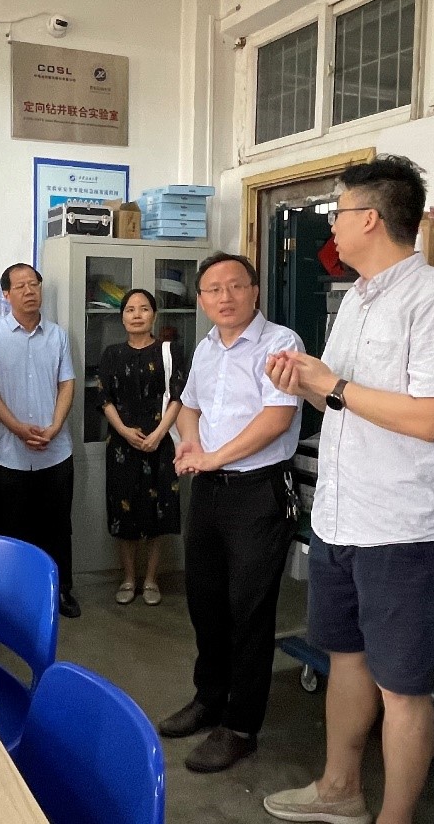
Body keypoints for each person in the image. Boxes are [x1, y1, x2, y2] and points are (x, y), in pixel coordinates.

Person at [261, 155, 434, 824]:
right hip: (340, 515)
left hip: (402, 528)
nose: (331, 223)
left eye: (337, 211)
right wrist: (305, 382)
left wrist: (330, 384)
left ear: (369, 218)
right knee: (346, 658)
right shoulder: (355, 298)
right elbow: (346, 401)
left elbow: (430, 418)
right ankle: (340, 789)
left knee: (402, 688)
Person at [157, 253, 304, 774]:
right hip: (209, 490)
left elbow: (277, 417)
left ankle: (240, 727)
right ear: (201, 300)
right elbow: (189, 406)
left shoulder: (280, 344)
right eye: (213, 289)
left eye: (236, 286)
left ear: (255, 290)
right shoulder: (205, 348)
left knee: (249, 610)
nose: (225, 297)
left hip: (258, 492)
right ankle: (209, 698)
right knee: (206, 602)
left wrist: (213, 456)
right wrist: (191, 443)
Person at [0, 263, 80, 619]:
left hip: (55, 450)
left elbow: (67, 384)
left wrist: (55, 427)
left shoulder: (58, 335)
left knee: (58, 527)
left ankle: (61, 592)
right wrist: (16, 427)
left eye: (35, 284)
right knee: (13, 529)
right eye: (21, 286)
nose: (30, 291)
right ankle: (17, 599)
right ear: (6, 294)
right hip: (9, 453)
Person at [96, 289, 185, 606]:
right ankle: (128, 578)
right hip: (122, 445)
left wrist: (159, 434)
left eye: (144, 308)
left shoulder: (169, 351)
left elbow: (179, 396)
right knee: (124, 513)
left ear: (154, 315)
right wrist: (123, 431)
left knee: (158, 512)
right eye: (130, 309)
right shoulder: (112, 354)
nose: (137, 314)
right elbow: (104, 398)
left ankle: (151, 579)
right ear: (122, 317)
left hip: (161, 442)